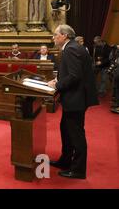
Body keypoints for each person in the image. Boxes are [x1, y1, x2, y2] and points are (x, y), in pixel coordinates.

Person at [47, 24, 98, 179]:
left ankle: (78, 170)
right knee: (66, 129)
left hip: (76, 98)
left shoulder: (71, 49)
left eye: (56, 34)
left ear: (64, 36)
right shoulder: (73, 47)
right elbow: (72, 72)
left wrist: (57, 84)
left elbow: (75, 76)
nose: (54, 37)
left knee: (75, 134)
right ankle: (65, 160)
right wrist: (58, 79)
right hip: (75, 97)